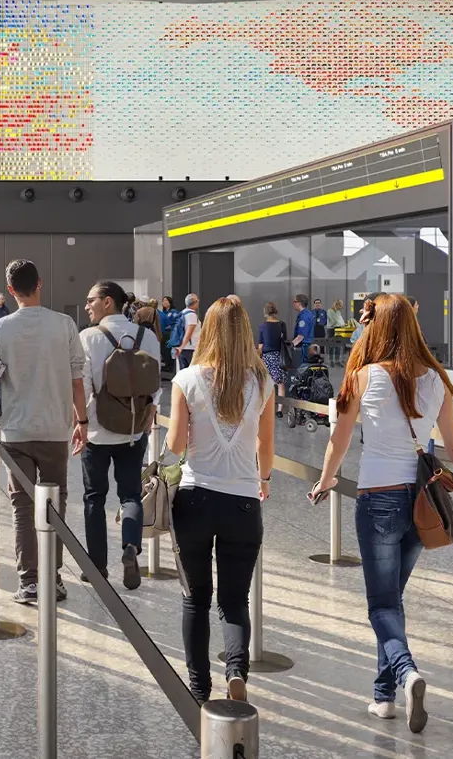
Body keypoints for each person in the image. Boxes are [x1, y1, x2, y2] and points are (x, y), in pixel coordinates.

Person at [309, 292, 453, 732]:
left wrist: (326, 478)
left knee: (380, 606)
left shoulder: (362, 376)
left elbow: (338, 439)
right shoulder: (436, 378)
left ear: (375, 327)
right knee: (392, 600)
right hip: (420, 502)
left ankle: (407, 672)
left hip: (378, 499)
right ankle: (384, 695)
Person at [167, 296, 274, 703]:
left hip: (194, 498)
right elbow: (266, 443)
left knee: (195, 598)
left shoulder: (187, 380)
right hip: (243, 502)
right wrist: (262, 479)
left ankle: (198, 688)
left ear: (207, 331)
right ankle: (235, 673)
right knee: (234, 599)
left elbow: (176, 446)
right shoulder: (261, 381)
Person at [0, 259, 86, 606]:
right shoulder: (65, 325)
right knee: (56, 504)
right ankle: (54, 579)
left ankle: (29, 582)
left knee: (22, 506)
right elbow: (77, 380)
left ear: (10, 291)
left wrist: (5, 372)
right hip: (55, 428)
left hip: (16, 430)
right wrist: (82, 421)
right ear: (40, 284)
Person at [78, 280, 150, 588]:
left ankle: (97, 567)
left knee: (95, 496)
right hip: (134, 430)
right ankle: (131, 547)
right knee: (131, 494)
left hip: (97, 430)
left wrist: (80, 422)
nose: (87, 306)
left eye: (91, 300)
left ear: (108, 302)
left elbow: (80, 386)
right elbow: (153, 386)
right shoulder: (147, 336)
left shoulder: (89, 338)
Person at [256, 301, 287, 396]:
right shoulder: (282, 325)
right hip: (279, 357)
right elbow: (284, 341)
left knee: (267, 385)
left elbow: (260, 346)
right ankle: (280, 409)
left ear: (265, 312)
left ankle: (269, 407)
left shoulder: (262, 327)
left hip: (267, 358)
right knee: (281, 385)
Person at [174, 294, 202, 370]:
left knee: (183, 372)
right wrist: (181, 348)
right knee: (191, 372)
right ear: (195, 302)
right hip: (190, 348)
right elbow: (188, 334)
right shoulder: (192, 315)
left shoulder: (182, 313)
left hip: (182, 347)